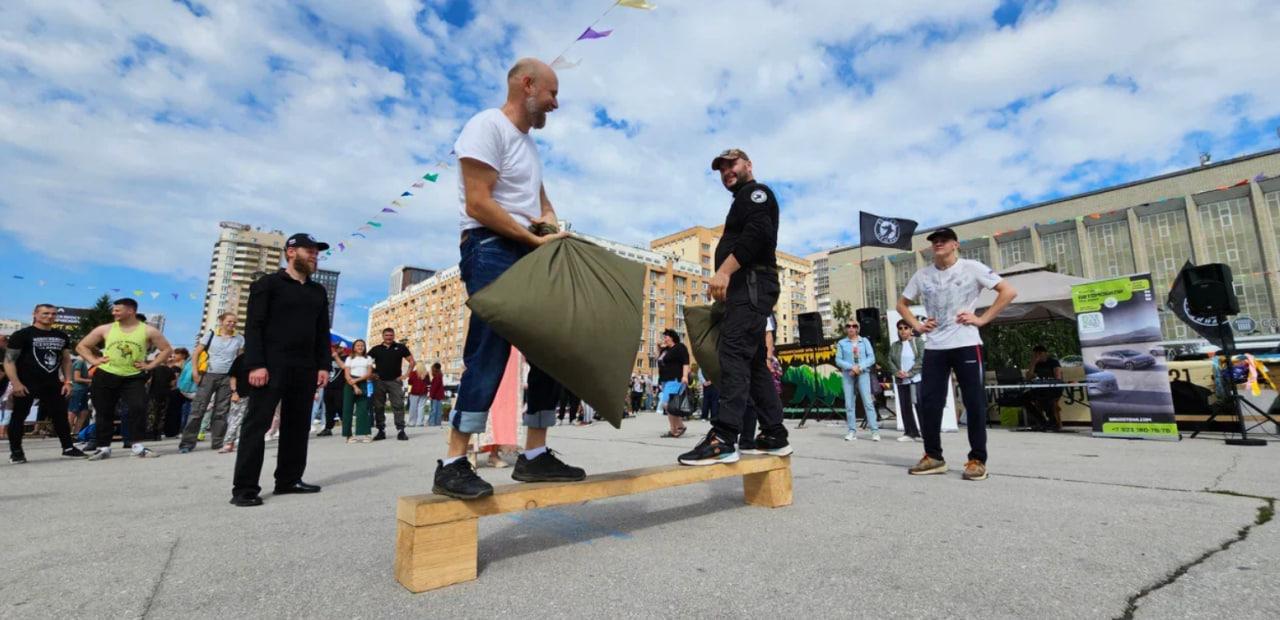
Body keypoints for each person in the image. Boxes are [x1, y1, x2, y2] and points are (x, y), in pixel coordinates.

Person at [433, 57, 584, 500]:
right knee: (490, 346)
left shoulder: (529, 146)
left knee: (549, 346)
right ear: (527, 85)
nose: (556, 104)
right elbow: (479, 203)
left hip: (525, 246)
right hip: (490, 246)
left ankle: (535, 457)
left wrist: (552, 227)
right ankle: (454, 462)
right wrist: (529, 238)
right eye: (552, 94)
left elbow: (540, 201)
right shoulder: (486, 126)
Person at [679, 149, 792, 465]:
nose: (727, 171)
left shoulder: (756, 194)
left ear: (748, 165)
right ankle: (774, 434)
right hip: (749, 289)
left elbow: (759, 234)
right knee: (753, 362)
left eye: (732, 164)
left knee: (732, 355)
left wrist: (725, 271)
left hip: (752, 286)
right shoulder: (741, 200)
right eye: (722, 168)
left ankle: (724, 438)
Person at [897, 227, 1017, 481]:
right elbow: (901, 304)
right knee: (929, 403)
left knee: (974, 403)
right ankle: (933, 457)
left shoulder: (972, 267)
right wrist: (917, 326)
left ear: (955, 244)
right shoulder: (922, 275)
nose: (938, 244)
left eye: (943, 240)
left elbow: (1008, 291)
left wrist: (982, 319)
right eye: (934, 242)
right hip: (935, 347)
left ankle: (977, 460)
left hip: (966, 343)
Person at [230, 233, 331, 507]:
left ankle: (289, 480)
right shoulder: (268, 284)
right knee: (257, 425)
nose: (314, 255)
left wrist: (324, 365)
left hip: (305, 368)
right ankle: (245, 488)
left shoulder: (317, 291)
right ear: (290, 252)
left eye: (316, 251)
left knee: (298, 426)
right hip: (270, 366)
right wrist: (256, 364)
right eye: (308, 250)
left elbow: (322, 332)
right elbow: (254, 326)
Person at [76, 298, 173, 459]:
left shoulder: (148, 331)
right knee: (104, 412)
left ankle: (137, 446)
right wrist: (94, 361)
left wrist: (150, 365)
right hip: (106, 375)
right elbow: (81, 346)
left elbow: (166, 350)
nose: (114, 312)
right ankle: (103, 447)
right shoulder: (106, 329)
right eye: (114, 310)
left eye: (117, 310)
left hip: (133, 377)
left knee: (138, 408)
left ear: (131, 311)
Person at [5, 304, 87, 462]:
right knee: (18, 417)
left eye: (53, 314)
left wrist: (68, 381)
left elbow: (66, 360)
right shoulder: (22, 334)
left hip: (52, 382)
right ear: (35, 314)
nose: (49, 316)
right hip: (26, 382)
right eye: (45, 313)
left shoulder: (61, 336)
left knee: (60, 416)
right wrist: (15, 383)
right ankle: (16, 452)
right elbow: (9, 361)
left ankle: (68, 447)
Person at [179, 314, 244, 452]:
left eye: (234, 322)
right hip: (208, 375)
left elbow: (240, 360)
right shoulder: (211, 334)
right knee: (198, 409)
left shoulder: (239, 338)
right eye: (229, 321)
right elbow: (196, 353)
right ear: (221, 321)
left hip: (227, 377)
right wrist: (195, 372)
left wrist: (237, 381)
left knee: (221, 411)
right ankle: (187, 443)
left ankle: (217, 442)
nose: (232, 324)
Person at [835, 318, 879, 442]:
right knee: (849, 404)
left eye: (854, 326)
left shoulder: (864, 341)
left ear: (857, 328)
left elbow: (872, 358)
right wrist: (851, 367)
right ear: (845, 329)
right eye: (848, 326)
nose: (851, 328)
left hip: (863, 373)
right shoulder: (842, 343)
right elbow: (838, 360)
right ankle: (851, 431)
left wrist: (859, 367)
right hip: (848, 374)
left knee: (868, 402)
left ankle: (874, 431)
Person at [368, 328, 415, 441]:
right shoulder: (376, 349)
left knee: (398, 405)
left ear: (393, 336)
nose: (388, 337)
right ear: (382, 336)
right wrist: (372, 374)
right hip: (379, 382)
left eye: (390, 335)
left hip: (395, 381)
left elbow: (412, 362)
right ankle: (381, 431)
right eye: (386, 335)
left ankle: (401, 431)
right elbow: (366, 362)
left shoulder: (400, 347)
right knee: (379, 406)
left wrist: (406, 375)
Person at [884, 320, 924, 442]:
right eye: (900, 328)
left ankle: (926, 433)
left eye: (906, 327)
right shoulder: (895, 345)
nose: (903, 330)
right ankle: (910, 432)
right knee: (905, 407)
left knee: (920, 406)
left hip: (915, 379)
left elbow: (921, 359)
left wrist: (909, 373)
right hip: (901, 380)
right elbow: (890, 360)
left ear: (911, 329)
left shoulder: (918, 342)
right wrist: (898, 373)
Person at [656, 329, 690, 438]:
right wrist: (658, 347)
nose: (664, 338)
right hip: (665, 380)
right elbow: (658, 359)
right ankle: (677, 428)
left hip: (675, 379)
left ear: (672, 337)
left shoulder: (680, 347)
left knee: (667, 404)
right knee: (671, 406)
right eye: (664, 336)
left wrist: (685, 376)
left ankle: (676, 428)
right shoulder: (666, 350)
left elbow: (686, 362)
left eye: (666, 336)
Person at [146, 348, 184, 441]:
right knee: (162, 414)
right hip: (166, 394)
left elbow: (148, 381)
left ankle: (150, 433)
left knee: (151, 413)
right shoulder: (170, 370)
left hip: (153, 394)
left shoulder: (153, 369)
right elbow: (173, 383)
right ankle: (158, 434)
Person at [341, 339, 374, 443]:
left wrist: (358, 381)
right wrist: (355, 386)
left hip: (362, 381)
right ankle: (348, 435)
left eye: (362, 346)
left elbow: (369, 373)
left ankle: (365, 434)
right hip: (350, 383)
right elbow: (346, 374)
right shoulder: (349, 358)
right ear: (354, 347)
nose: (360, 347)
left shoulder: (368, 358)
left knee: (363, 409)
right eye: (358, 345)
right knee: (347, 409)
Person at [1025, 345, 1064, 431]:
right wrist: (1033, 364)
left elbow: (1058, 378)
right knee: (1024, 398)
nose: (1038, 356)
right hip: (1040, 389)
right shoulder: (1036, 364)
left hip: (1054, 389)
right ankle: (1042, 422)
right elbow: (1028, 378)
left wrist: (1047, 380)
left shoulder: (1053, 362)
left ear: (1045, 353)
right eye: (1035, 354)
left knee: (1045, 398)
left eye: (1040, 353)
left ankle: (1053, 423)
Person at [219, 351, 251, 454]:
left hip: (258, 396)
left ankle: (245, 443)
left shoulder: (266, 358)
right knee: (234, 419)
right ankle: (229, 443)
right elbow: (233, 376)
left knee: (250, 420)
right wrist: (234, 392)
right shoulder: (241, 358)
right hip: (241, 393)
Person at [316, 344, 346, 436]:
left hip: (340, 387)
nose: (336, 349)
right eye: (335, 348)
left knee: (340, 407)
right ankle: (328, 428)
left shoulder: (347, 358)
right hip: (328, 387)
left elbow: (344, 367)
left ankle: (346, 426)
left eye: (338, 348)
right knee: (329, 409)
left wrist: (336, 357)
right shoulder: (329, 358)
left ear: (343, 348)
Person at [69, 354, 92, 434]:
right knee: (73, 411)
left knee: (84, 412)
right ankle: (67, 434)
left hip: (82, 390)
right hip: (77, 390)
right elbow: (77, 378)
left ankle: (76, 433)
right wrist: (91, 381)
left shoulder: (78, 362)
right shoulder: (80, 362)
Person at [407, 363, 429, 427]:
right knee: (421, 407)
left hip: (414, 392)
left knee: (413, 407)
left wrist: (408, 391)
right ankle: (420, 422)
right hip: (423, 392)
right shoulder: (426, 374)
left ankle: (412, 422)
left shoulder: (413, 373)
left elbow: (410, 382)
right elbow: (428, 383)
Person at [427, 362, 445, 427]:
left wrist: (431, 396)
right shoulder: (440, 376)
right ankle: (437, 422)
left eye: (432, 369)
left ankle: (432, 422)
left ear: (434, 369)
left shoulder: (436, 377)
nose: (431, 371)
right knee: (438, 409)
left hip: (435, 396)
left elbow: (434, 388)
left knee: (433, 409)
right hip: (439, 395)